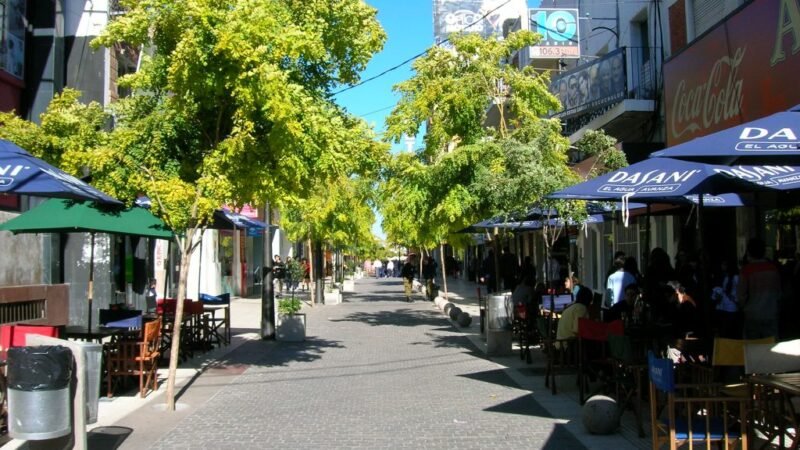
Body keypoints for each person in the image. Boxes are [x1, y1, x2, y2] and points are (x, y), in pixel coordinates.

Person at [737, 238, 781, 339]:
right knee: (770, 344)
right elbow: (778, 292)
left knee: (752, 346)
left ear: (749, 252)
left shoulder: (746, 270)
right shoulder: (773, 269)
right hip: (771, 312)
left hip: (752, 314)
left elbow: (741, 295)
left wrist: (743, 307)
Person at [711, 257, 740, 338]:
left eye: (724, 265)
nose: (722, 266)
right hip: (724, 306)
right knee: (725, 329)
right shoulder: (727, 277)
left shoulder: (735, 278)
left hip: (731, 306)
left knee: (729, 329)